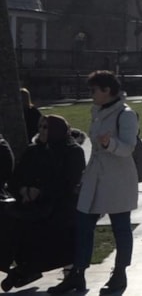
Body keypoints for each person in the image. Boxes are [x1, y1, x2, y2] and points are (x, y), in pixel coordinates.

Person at [48, 70, 139, 295]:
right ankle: (77, 274)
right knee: (83, 226)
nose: (91, 94)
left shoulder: (126, 114)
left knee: (121, 228)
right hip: (95, 179)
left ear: (107, 90)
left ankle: (119, 274)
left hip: (118, 181)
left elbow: (128, 148)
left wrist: (110, 144)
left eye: (94, 90)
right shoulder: (98, 111)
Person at [0, 115, 85, 292]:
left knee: (49, 226)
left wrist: (41, 192)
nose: (42, 131)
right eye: (40, 127)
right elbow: (16, 177)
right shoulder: (33, 150)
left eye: (46, 127)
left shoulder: (72, 151)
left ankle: (28, 270)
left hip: (58, 203)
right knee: (9, 219)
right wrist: (23, 190)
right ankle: (22, 267)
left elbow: (68, 182)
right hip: (30, 201)